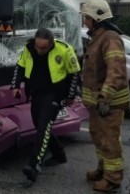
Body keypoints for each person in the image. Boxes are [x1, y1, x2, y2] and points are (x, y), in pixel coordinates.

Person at [10, 28, 80, 184]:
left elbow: (74, 73)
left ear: (51, 44)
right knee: (40, 126)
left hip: (55, 94)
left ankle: (34, 165)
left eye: (44, 48)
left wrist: (70, 95)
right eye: (37, 46)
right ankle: (59, 154)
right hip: (36, 93)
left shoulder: (64, 49)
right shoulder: (29, 48)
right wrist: (15, 86)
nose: (40, 50)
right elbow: (20, 66)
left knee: (43, 126)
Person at [80, 0, 130, 193]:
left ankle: (112, 178)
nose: (85, 21)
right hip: (97, 103)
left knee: (109, 140)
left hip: (109, 103)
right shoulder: (98, 38)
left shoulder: (110, 38)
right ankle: (103, 169)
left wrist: (106, 97)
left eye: (87, 18)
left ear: (97, 19)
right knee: (98, 136)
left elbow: (116, 70)